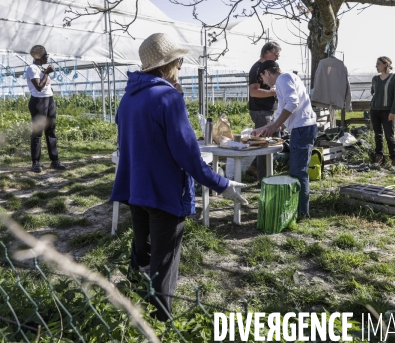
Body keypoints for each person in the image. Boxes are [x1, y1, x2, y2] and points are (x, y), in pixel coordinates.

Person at [110, 33, 247, 321]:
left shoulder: (128, 98)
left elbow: (134, 142)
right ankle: (161, 323)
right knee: (164, 261)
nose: (181, 67)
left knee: (142, 252)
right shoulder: (168, 98)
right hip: (163, 192)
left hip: (136, 189)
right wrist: (223, 185)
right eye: (180, 61)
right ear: (169, 64)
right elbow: (187, 155)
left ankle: (130, 313)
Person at [251, 60, 317, 220]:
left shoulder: (283, 78)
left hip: (302, 128)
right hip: (301, 128)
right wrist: (262, 129)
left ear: (267, 72)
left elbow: (293, 103)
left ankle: (302, 212)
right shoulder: (286, 80)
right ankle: (298, 209)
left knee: (298, 172)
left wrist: (275, 127)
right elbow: (282, 111)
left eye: (262, 78)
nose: (264, 83)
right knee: (296, 171)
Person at [26, 45, 65, 172]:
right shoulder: (32, 68)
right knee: (38, 133)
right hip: (38, 101)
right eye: (46, 55)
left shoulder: (40, 68)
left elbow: (46, 86)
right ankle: (36, 162)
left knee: (51, 131)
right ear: (39, 57)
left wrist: (50, 90)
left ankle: (55, 161)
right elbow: (38, 87)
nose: (47, 56)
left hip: (49, 100)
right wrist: (47, 73)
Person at [246, 42, 280, 179]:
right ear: (267, 52)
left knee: (272, 141)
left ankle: (255, 168)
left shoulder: (271, 67)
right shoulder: (257, 68)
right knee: (264, 143)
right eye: (275, 54)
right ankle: (263, 179)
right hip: (261, 111)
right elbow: (254, 92)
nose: (277, 57)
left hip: (269, 110)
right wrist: (273, 92)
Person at [370, 56, 395, 168]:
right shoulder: (375, 78)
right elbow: (372, 91)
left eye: (378, 64)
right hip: (374, 110)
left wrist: (393, 111)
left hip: (388, 111)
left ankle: (394, 159)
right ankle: (379, 157)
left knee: (389, 135)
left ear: (385, 64)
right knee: (377, 135)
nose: (376, 66)